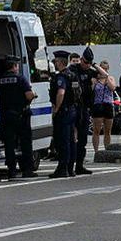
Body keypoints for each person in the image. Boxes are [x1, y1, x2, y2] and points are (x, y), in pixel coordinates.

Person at [0, 57, 37, 178]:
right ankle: (27, 170)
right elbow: (29, 95)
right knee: (25, 143)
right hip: (21, 115)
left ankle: (12, 170)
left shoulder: (0, 80)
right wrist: (34, 95)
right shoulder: (20, 79)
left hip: (6, 115)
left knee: (9, 144)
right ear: (14, 66)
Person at [49, 49, 77, 178]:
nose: (54, 63)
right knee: (71, 140)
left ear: (60, 62)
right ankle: (70, 168)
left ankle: (62, 168)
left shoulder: (61, 77)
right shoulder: (72, 75)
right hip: (72, 110)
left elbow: (61, 93)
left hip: (63, 111)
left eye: (55, 61)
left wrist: (56, 109)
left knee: (62, 141)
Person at [72, 48, 95, 174]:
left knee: (83, 139)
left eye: (90, 63)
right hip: (74, 107)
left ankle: (79, 165)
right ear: (81, 59)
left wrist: (95, 65)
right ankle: (70, 166)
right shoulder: (74, 69)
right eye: (86, 62)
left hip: (84, 108)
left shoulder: (91, 71)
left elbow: (104, 75)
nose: (87, 65)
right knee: (72, 138)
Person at [90, 61, 116, 151]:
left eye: (106, 68)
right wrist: (94, 82)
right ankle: (96, 151)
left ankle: (107, 150)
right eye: (102, 68)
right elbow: (91, 90)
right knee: (96, 130)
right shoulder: (95, 79)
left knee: (107, 131)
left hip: (108, 104)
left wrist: (107, 77)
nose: (104, 70)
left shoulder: (110, 78)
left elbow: (113, 88)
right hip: (98, 105)